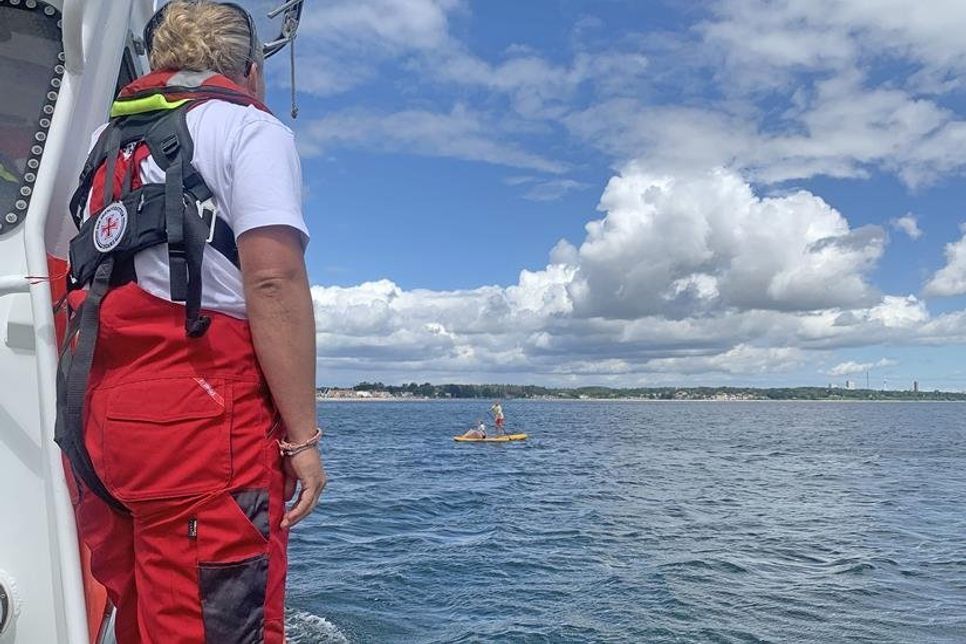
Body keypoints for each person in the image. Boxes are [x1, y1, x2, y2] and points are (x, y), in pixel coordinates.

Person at [55, 3, 325, 642]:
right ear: (249, 71)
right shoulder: (248, 129)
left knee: (141, 619)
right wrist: (303, 440)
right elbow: (273, 281)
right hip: (198, 424)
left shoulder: (103, 146)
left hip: (96, 425)